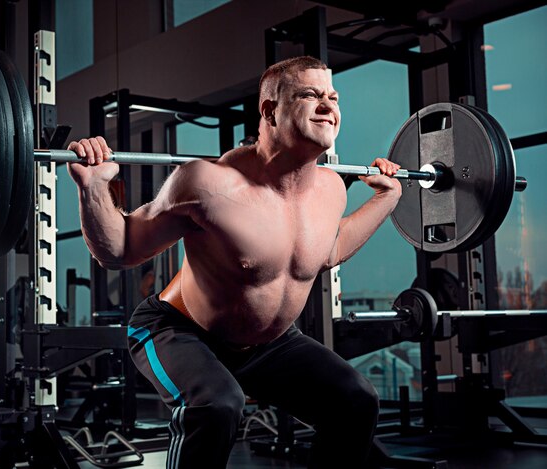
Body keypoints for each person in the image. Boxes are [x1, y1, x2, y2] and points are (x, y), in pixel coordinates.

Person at [67, 56, 402, 469]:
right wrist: (94, 190)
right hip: (179, 330)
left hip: (269, 344)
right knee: (216, 406)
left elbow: (326, 252)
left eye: (332, 97)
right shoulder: (208, 183)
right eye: (309, 95)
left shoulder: (332, 189)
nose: (327, 105)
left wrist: (387, 198)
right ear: (269, 110)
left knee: (355, 400)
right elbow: (119, 251)